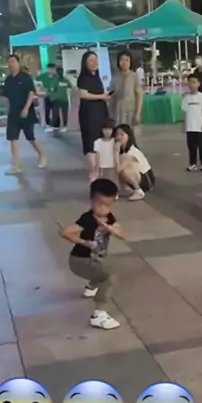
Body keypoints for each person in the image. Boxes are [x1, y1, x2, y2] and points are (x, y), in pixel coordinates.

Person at [62, 178, 125, 330]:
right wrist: (84, 242)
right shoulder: (88, 219)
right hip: (80, 260)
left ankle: (91, 287)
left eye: (108, 205)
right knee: (109, 276)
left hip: (93, 259)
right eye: (100, 204)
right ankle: (99, 315)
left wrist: (110, 228)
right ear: (91, 200)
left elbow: (122, 234)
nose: (104, 209)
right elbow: (66, 232)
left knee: (106, 265)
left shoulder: (109, 218)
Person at [3, 54, 47, 175]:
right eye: (9, 62)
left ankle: (42, 155)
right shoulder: (8, 80)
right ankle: (16, 165)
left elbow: (31, 94)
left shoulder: (25, 77)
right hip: (13, 113)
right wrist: (6, 111)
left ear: (18, 63)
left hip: (26, 113)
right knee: (13, 138)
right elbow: (6, 97)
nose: (11, 64)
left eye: (13, 61)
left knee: (30, 137)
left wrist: (26, 109)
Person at [77, 50, 111, 181]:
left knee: (99, 140)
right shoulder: (83, 78)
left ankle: (98, 169)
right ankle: (93, 171)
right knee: (90, 142)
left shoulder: (97, 77)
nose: (94, 63)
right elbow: (83, 95)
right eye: (90, 60)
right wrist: (102, 96)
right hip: (89, 113)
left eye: (96, 60)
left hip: (100, 111)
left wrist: (105, 96)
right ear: (85, 63)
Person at [115, 124, 155, 201]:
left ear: (129, 136)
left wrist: (115, 153)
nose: (119, 137)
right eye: (117, 134)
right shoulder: (122, 150)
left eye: (122, 134)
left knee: (124, 170)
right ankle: (125, 189)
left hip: (147, 180)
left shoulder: (132, 151)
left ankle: (138, 191)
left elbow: (118, 169)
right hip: (137, 177)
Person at [109, 50, 144, 128]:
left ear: (130, 62)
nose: (124, 62)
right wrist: (110, 114)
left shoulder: (135, 76)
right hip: (118, 112)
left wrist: (137, 114)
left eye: (127, 60)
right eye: (121, 60)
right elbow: (112, 97)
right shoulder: (114, 78)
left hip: (131, 111)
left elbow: (139, 96)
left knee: (130, 132)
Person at [182, 73, 202, 171]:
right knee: (191, 146)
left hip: (199, 127)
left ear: (198, 84)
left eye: (194, 82)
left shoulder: (201, 96)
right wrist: (184, 125)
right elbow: (184, 112)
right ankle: (192, 163)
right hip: (190, 127)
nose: (191, 85)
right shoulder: (186, 97)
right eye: (189, 82)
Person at [37, 63, 71, 132]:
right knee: (63, 113)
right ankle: (63, 126)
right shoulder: (65, 80)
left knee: (56, 113)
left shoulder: (55, 80)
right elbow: (70, 88)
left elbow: (51, 89)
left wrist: (44, 90)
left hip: (57, 99)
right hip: (64, 99)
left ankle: (54, 126)